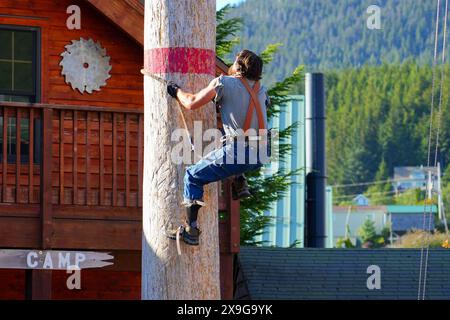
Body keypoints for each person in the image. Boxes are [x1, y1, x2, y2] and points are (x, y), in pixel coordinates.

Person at [166, 49, 271, 246]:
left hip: (240, 152)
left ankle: (191, 230)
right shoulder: (261, 90)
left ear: (238, 67)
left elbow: (191, 103)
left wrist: (176, 91)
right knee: (225, 139)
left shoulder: (224, 82)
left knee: (192, 176)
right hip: (263, 152)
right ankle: (240, 182)